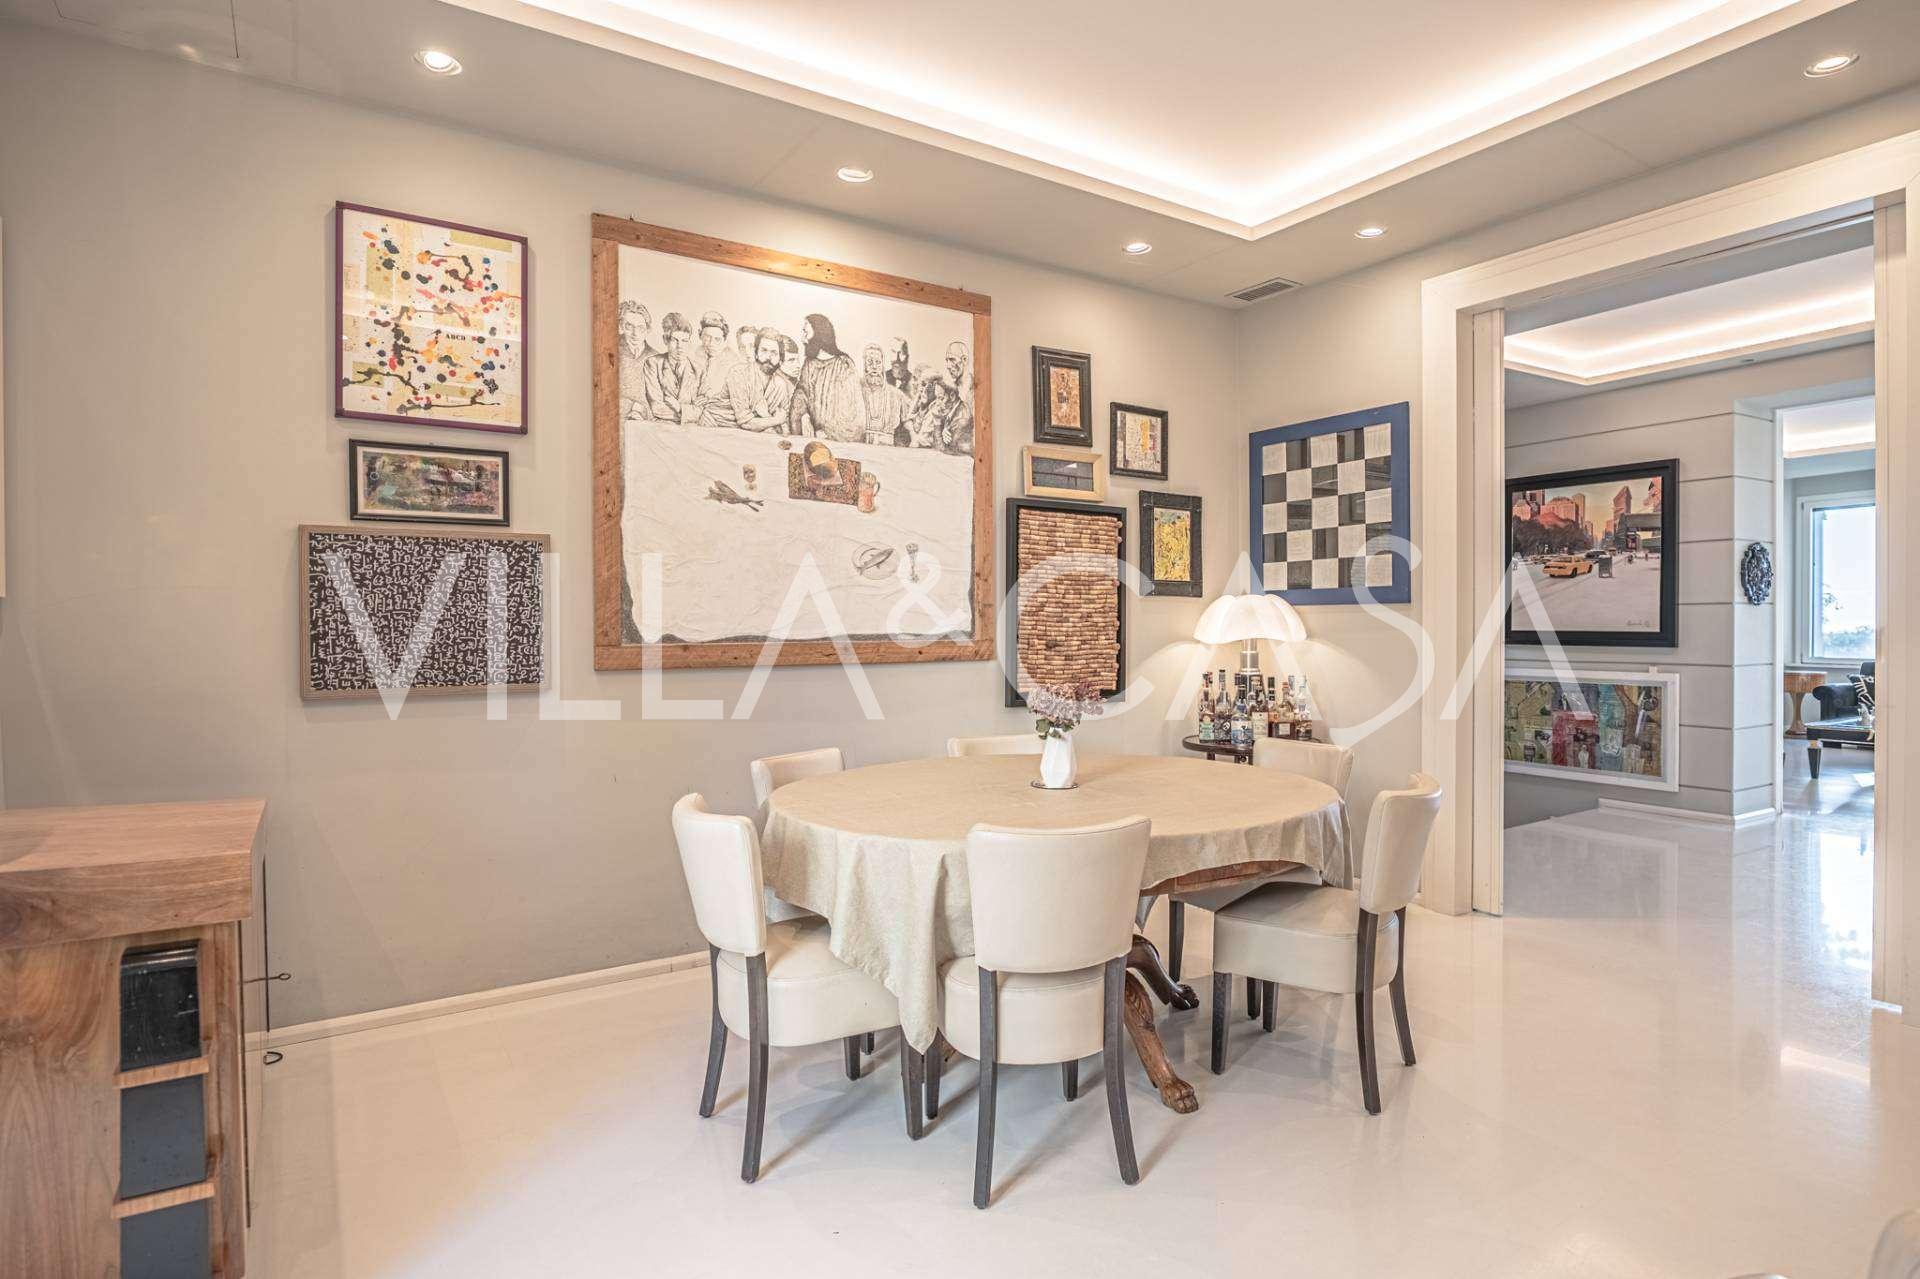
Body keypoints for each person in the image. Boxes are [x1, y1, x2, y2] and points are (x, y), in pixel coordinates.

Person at [788, 313, 866, 442]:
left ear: (819, 334)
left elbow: (851, 412)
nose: (803, 339)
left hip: (839, 440)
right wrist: (803, 416)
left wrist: (828, 432)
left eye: (806, 333)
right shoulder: (809, 364)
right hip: (813, 437)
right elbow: (801, 395)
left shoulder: (844, 365)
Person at [639, 311, 697, 422]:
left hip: (691, 428)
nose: (680, 346)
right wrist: (687, 414)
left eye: (684, 341)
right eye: (675, 340)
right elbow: (656, 407)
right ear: (665, 340)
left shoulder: (698, 369)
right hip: (661, 426)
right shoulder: (653, 363)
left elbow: (702, 410)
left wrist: (680, 408)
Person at [735, 330, 795, 433]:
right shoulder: (739, 373)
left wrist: (771, 419)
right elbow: (746, 424)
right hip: (722, 429)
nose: (768, 357)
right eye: (764, 350)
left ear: (780, 358)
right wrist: (776, 420)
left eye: (774, 353)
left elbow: (785, 426)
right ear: (756, 353)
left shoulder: (780, 385)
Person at [689, 310, 739, 423]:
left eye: (717, 339)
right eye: (707, 338)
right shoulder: (696, 353)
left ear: (725, 340)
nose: (711, 344)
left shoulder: (733, 360)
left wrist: (708, 398)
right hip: (698, 409)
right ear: (700, 335)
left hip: (721, 412)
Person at [861, 343, 911, 445]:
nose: (874, 367)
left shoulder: (896, 394)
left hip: (887, 448)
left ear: (882, 364)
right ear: (864, 364)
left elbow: (908, 421)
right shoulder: (856, 390)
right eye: (870, 362)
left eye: (878, 362)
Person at [617, 300, 654, 421]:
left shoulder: (655, 357)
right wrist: (632, 406)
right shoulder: (610, 354)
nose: (635, 333)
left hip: (647, 422)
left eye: (640, 328)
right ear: (620, 326)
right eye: (629, 326)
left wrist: (643, 412)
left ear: (647, 330)